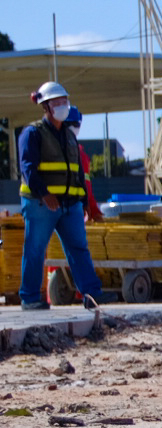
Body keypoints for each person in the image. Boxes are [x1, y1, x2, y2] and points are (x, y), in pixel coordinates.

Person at [17, 82, 105, 312]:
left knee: (78, 248)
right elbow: (27, 168)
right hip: (41, 204)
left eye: (64, 101)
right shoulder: (33, 133)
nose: (62, 106)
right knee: (35, 249)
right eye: (57, 102)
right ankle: (30, 298)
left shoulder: (68, 135)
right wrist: (44, 194)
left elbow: (77, 172)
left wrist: (84, 202)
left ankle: (92, 295)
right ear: (45, 106)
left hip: (70, 204)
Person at [63, 107, 105, 223]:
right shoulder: (79, 154)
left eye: (76, 124)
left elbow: (86, 187)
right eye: (71, 124)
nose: (74, 127)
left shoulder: (80, 155)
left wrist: (93, 209)